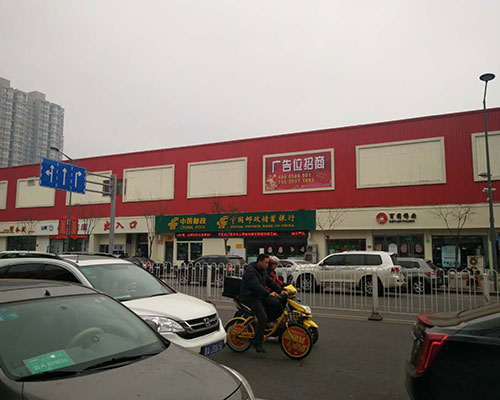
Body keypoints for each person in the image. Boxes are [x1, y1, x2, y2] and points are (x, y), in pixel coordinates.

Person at [240, 254, 286, 353]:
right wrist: (269, 294)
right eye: (266, 263)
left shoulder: (263, 271)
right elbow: (256, 286)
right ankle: (257, 343)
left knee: (277, 303)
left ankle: (265, 324)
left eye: (268, 263)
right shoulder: (251, 272)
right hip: (250, 297)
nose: (267, 265)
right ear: (259, 261)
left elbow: (270, 282)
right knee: (262, 317)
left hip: (259, 295)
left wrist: (280, 290)